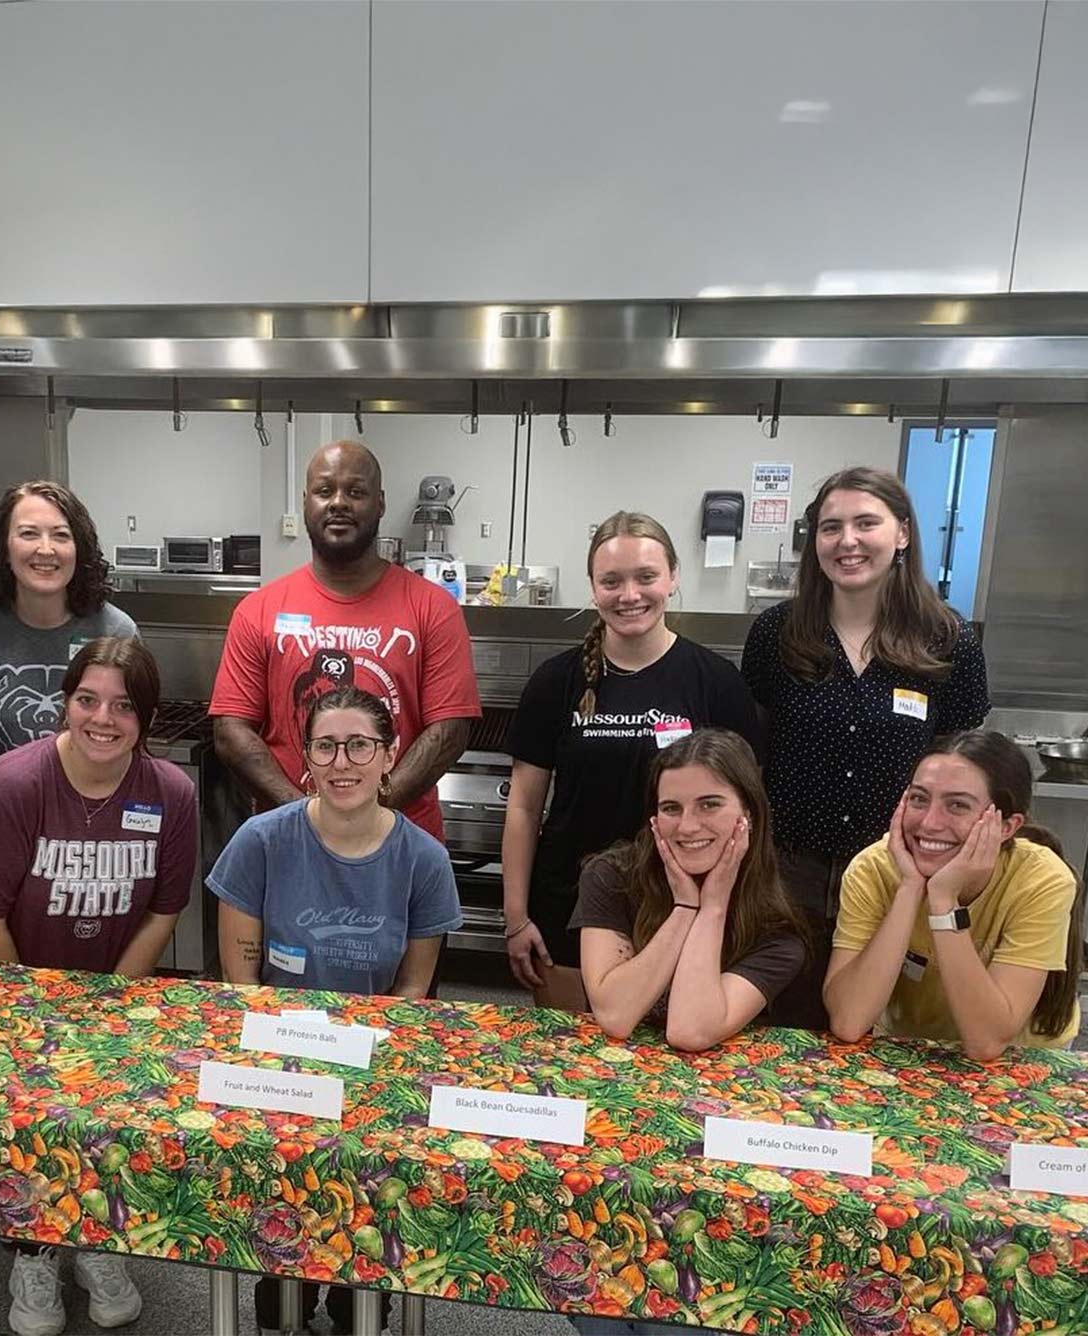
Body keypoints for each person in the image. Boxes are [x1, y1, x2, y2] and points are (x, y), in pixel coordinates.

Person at [0, 636, 195, 1336]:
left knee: (104, 1116)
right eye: (87, 700)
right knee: (26, 1117)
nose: (103, 719)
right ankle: (35, 1251)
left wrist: (107, 1008)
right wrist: (36, 1023)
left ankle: (94, 1239)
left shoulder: (170, 794)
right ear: (66, 703)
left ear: (146, 718)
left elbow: (163, 911)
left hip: (102, 987)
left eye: (123, 706)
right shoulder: (10, 788)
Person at [209, 683, 462, 1335]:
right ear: (306, 757)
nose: (342, 762)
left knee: (365, 1222)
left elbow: (413, 994)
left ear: (390, 755)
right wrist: (289, 1069)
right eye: (325, 746)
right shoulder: (261, 841)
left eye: (359, 746)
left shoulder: (424, 860)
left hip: (374, 1064)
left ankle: (358, 1299)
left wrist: (362, 1071)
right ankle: (281, 1292)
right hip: (277, 1062)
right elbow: (242, 984)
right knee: (283, 1234)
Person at [741, 466, 989, 1028]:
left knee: (883, 1028)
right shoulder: (776, 633)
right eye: (831, 527)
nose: (847, 541)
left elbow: (967, 766)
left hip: (897, 872)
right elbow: (749, 753)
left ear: (902, 533)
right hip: (788, 873)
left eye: (865, 523)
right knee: (781, 1024)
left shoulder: (947, 638)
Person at [503, 512, 761, 1010]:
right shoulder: (555, 682)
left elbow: (747, 809)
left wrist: (728, 906)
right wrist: (516, 917)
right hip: (568, 903)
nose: (630, 595)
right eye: (611, 581)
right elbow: (524, 808)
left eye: (646, 577)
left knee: (675, 1048)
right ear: (592, 587)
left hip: (683, 904)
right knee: (570, 1049)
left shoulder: (715, 682)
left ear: (673, 577)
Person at [210, 440, 481, 844]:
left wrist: (370, 812)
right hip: (289, 844)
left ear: (380, 503)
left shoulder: (433, 608)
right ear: (306, 502)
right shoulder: (258, 611)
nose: (338, 502)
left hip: (400, 845)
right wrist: (306, 816)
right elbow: (230, 730)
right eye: (325, 491)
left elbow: (450, 730)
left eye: (355, 491)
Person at [825, 731, 1082, 1060]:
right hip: (912, 1048)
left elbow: (986, 1042)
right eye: (919, 799)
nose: (929, 823)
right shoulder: (873, 868)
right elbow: (849, 1021)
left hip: (1020, 1056)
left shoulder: (1042, 880)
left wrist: (944, 901)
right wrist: (910, 888)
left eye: (957, 805)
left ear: (1006, 827)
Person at [571, 729, 810, 1049]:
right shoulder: (611, 877)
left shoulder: (777, 931)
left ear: (749, 815)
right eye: (671, 808)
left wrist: (712, 908)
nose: (687, 827)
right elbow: (615, 1016)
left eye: (709, 804)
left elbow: (689, 1031)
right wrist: (684, 907)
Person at [0, 480, 137, 772]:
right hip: (0, 794)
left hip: (92, 794)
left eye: (61, 535)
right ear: (4, 548)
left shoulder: (116, 632)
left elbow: (131, 731)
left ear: (79, 549)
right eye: (28, 534)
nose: (46, 549)